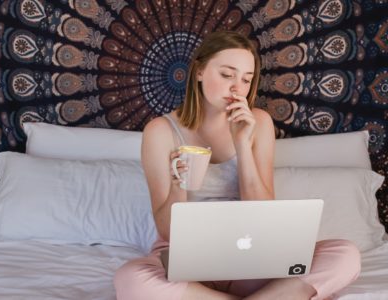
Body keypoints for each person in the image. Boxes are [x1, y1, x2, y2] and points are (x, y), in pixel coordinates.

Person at [114, 31, 361, 300]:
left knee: (345, 255)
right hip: (188, 259)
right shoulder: (161, 131)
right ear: (198, 71)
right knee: (131, 279)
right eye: (227, 75)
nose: (237, 88)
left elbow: (264, 214)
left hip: (251, 255)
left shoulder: (259, 122)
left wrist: (242, 145)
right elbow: (167, 232)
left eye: (246, 79)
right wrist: (177, 186)